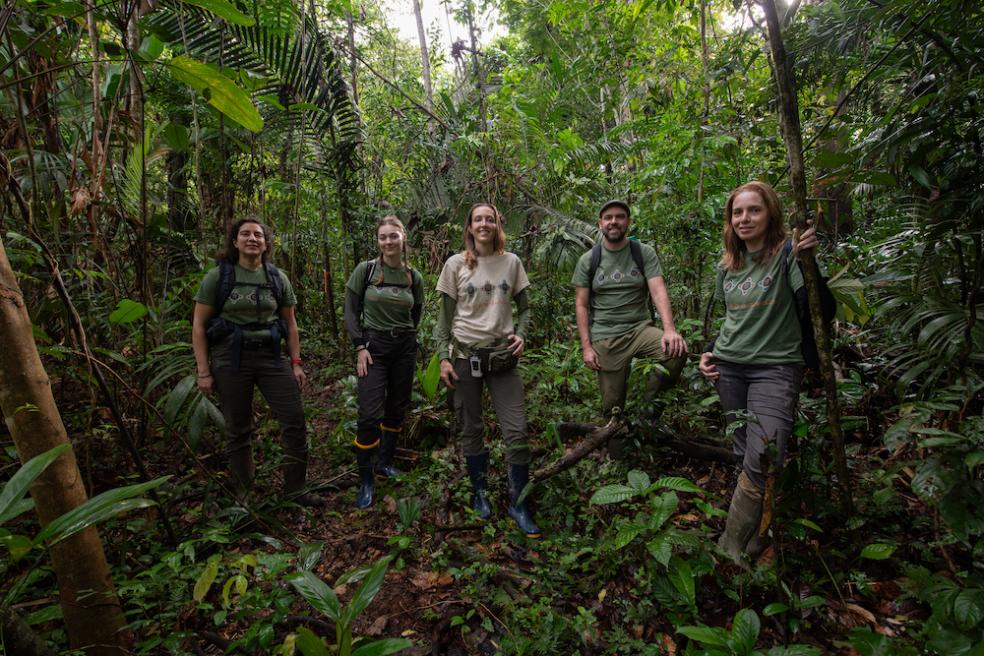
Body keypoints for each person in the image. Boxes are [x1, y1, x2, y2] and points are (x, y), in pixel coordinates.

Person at [698, 181, 819, 561]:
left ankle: (730, 545)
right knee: (743, 452)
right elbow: (733, 320)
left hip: (776, 368)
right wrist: (710, 352)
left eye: (754, 210)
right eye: (737, 212)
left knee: (764, 453)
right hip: (730, 368)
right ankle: (755, 533)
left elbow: (819, 310)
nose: (744, 218)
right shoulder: (728, 265)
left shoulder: (788, 253)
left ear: (771, 214)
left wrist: (807, 262)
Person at [192, 216, 323, 506]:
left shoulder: (277, 277)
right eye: (246, 234)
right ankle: (245, 496)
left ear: (266, 244)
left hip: (271, 356)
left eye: (258, 235)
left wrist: (296, 362)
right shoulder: (219, 276)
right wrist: (204, 371)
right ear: (235, 241)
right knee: (238, 429)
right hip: (230, 358)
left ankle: (296, 489)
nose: (253, 239)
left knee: (294, 421)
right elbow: (199, 325)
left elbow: (290, 324)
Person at [434, 202, 541, 538]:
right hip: (466, 357)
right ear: (469, 227)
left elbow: (526, 309)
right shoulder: (455, 264)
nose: (483, 224)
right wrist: (443, 358)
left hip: (503, 358)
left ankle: (518, 502)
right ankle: (480, 493)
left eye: (489, 219)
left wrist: (522, 334)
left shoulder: (512, 263)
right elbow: (443, 320)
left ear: (497, 225)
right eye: (478, 219)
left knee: (517, 431)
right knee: (471, 427)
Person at [571, 199, 688, 454]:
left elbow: (658, 291)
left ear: (628, 222)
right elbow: (581, 305)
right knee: (613, 408)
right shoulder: (589, 260)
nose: (614, 221)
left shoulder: (642, 252)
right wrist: (587, 347)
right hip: (605, 336)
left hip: (639, 329)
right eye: (608, 217)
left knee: (675, 352)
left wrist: (669, 329)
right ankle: (617, 460)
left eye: (620, 217)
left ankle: (645, 414)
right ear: (600, 223)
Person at [344, 215, 424, 509]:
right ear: (378, 241)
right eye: (383, 237)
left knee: (397, 407)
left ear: (403, 238)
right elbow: (351, 311)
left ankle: (385, 463)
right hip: (373, 346)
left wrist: (407, 338)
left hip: (404, 346)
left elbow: (416, 313)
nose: (388, 241)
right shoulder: (366, 271)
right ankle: (366, 480)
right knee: (369, 413)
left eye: (393, 236)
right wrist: (360, 346)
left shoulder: (412, 277)